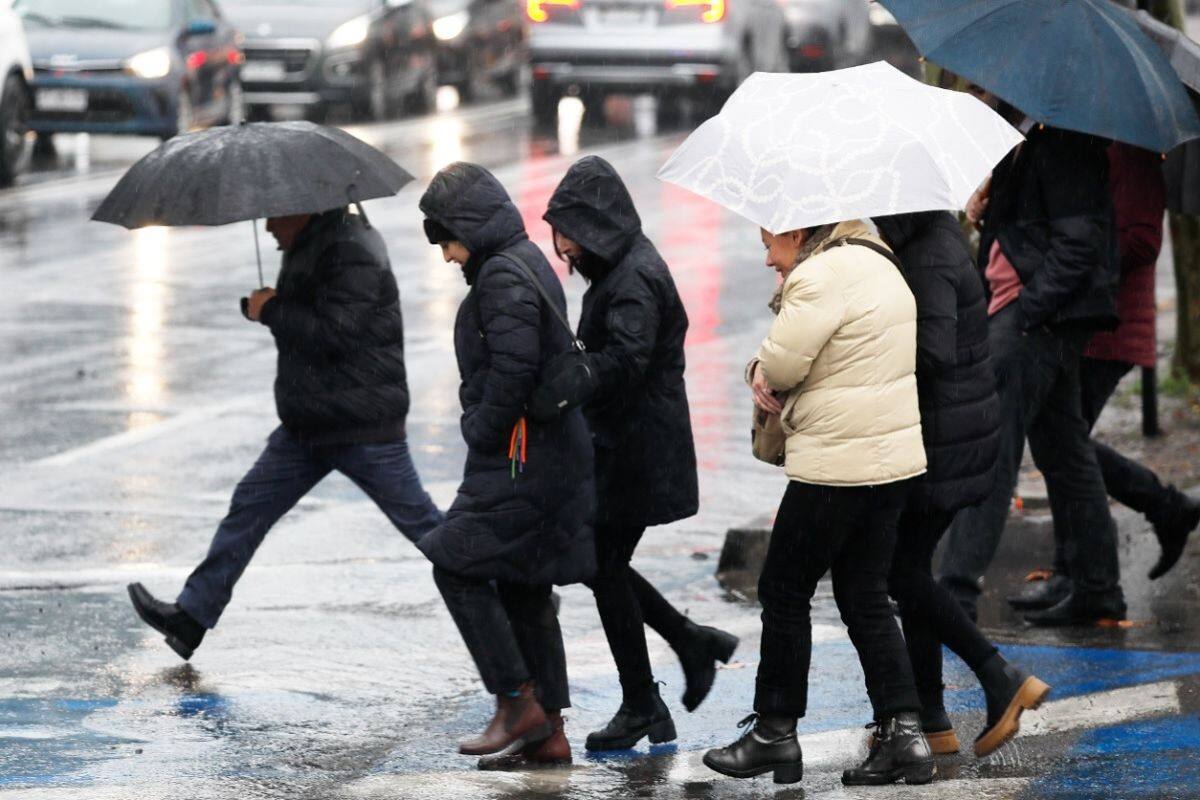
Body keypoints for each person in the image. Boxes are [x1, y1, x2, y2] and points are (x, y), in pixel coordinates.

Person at [126, 206, 443, 660]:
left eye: (275, 216)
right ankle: (191, 617)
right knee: (249, 505)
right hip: (311, 423)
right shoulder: (314, 243)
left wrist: (272, 309)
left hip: (361, 425)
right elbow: (311, 317)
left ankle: (502, 588)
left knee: (424, 525)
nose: (269, 226)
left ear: (303, 209)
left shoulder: (351, 249)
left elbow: (338, 334)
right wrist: (268, 307)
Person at [703, 219, 935, 787]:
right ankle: (905, 735)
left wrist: (758, 363)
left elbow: (781, 368)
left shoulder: (819, 276)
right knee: (864, 594)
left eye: (770, 245)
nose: (768, 260)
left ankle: (775, 731)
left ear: (798, 231)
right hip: (891, 462)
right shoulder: (881, 262)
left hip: (837, 465)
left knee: (784, 588)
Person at [534, 156, 739, 752]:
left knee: (600, 564)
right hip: (628, 444)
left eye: (569, 231)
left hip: (637, 449)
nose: (562, 246)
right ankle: (674, 664)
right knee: (603, 565)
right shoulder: (619, 268)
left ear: (596, 224)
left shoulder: (633, 277)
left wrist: (576, 374)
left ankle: (650, 693)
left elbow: (628, 359)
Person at [417, 162, 596, 767]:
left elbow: (514, 370)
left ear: (469, 226)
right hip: (548, 456)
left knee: (454, 563)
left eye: (447, 240)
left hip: (523, 460)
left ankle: (516, 701)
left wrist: (480, 428)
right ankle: (549, 734)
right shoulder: (521, 261)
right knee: (524, 584)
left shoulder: (500, 275)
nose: (447, 255)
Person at [874, 211, 1051, 759]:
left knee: (901, 571)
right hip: (954, 433)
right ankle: (932, 717)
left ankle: (999, 676)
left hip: (944, 440)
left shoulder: (926, 254)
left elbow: (931, 350)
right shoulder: (935, 237)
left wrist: (869, 349)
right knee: (910, 569)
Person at [939, 113, 1126, 627]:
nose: (978, 99)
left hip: (1032, 321)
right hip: (1032, 317)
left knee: (991, 450)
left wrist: (1028, 311)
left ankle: (955, 593)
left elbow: (1079, 242)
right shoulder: (1033, 137)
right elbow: (1035, 232)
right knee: (1065, 451)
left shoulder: (1064, 141)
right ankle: (1098, 588)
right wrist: (989, 208)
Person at [1009, 142, 1200, 613]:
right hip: (1083, 325)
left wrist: (1077, 240)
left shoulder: (1130, 156)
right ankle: (1084, 564)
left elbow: (1143, 240)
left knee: (1063, 447)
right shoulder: (1088, 149)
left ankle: (1094, 568)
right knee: (1061, 446)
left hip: (1110, 329)